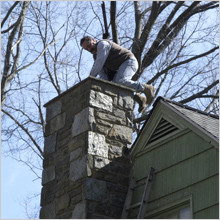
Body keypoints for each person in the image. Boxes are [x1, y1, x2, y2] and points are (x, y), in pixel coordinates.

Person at [80, 36, 155, 113]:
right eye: (87, 49)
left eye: (89, 46)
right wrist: (105, 86)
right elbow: (102, 74)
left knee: (120, 81)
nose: (89, 49)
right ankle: (138, 98)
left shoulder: (102, 44)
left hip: (129, 61)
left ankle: (146, 88)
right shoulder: (96, 56)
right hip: (120, 68)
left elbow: (99, 64)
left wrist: (90, 79)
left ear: (93, 40)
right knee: (115, 87)